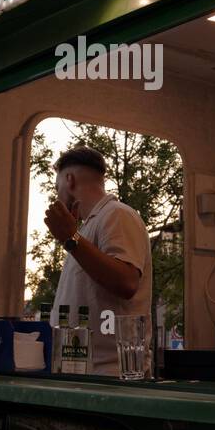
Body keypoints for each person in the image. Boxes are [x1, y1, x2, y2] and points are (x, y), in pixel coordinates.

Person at [43, 145, 152, 374]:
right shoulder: (84, 228)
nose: (57, 194)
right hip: (84, 370)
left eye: (57, 186)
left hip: (111, 373)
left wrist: (70, 239)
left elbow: (127, 282)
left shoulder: (116, 214)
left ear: (69, 180)